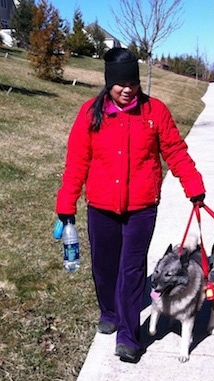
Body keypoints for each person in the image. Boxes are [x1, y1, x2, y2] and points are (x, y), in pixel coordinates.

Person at [55, 47, 206, 363]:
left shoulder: (155, 113)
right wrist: (66, 204)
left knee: (132, 269)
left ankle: (127, 335)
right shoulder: (90, 114)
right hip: (101, 205)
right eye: (120, 84)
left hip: (141, 206)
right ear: (109, 83)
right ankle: (109, 311)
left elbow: (175, 152)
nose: (127, 89)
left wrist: (194, 186)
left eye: (133, 84)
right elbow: (77, 163)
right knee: (104, 267)